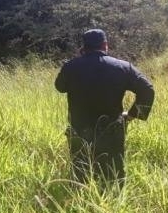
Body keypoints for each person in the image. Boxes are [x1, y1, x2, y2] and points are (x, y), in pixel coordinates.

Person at [54, 29, 155, 186]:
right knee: (113, 176)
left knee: (80, 176)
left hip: (79, 130)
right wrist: (132, 115)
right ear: (105, 45)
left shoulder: (70, 67)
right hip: (112, 129)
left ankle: (80, 207)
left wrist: (79, 62)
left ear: (84, 46)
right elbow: (147, 90)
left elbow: (60, 87)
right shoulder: (123, 67)